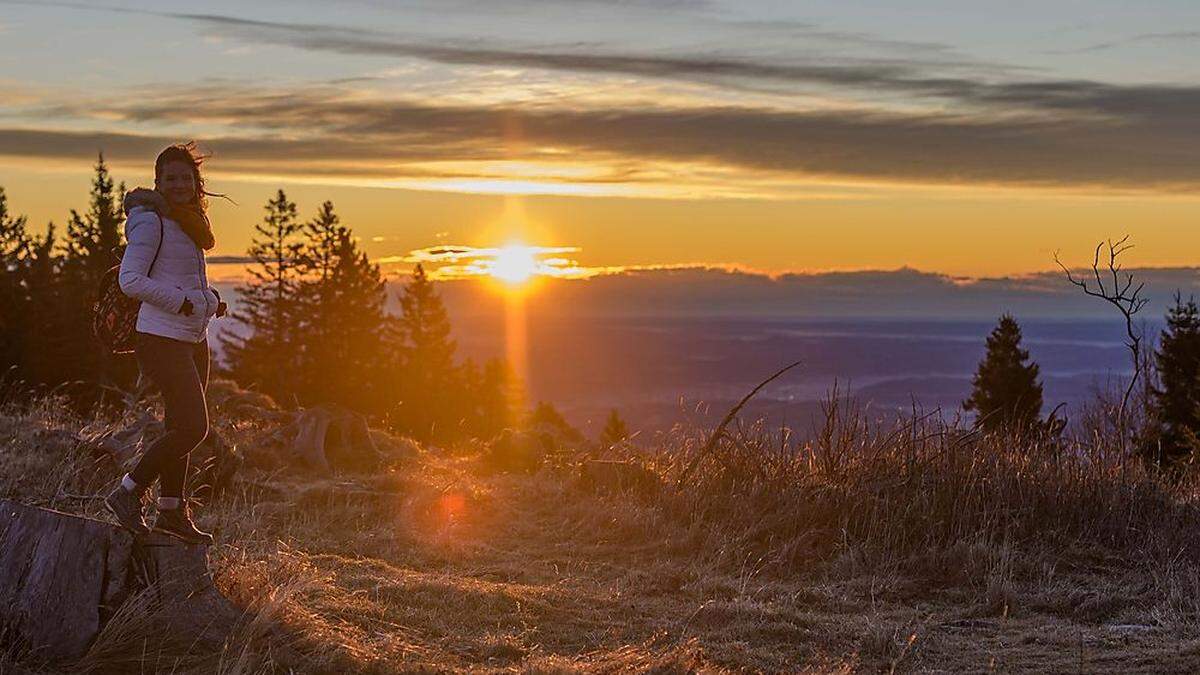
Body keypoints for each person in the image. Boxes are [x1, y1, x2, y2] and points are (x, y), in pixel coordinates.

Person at [104, 143, 227, 544]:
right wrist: (184, 302)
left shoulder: (189, 223)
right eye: (170, 178)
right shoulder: (150, 220)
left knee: (180, 426)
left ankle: (171, 514)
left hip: (193, 337)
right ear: (158, 183)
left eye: (185, 178)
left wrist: (208, 301)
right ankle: (127, 492)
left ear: (196, 184)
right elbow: (131, 280)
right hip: (160, 337)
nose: (178, 185)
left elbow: (188, 279)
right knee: (194, 426)